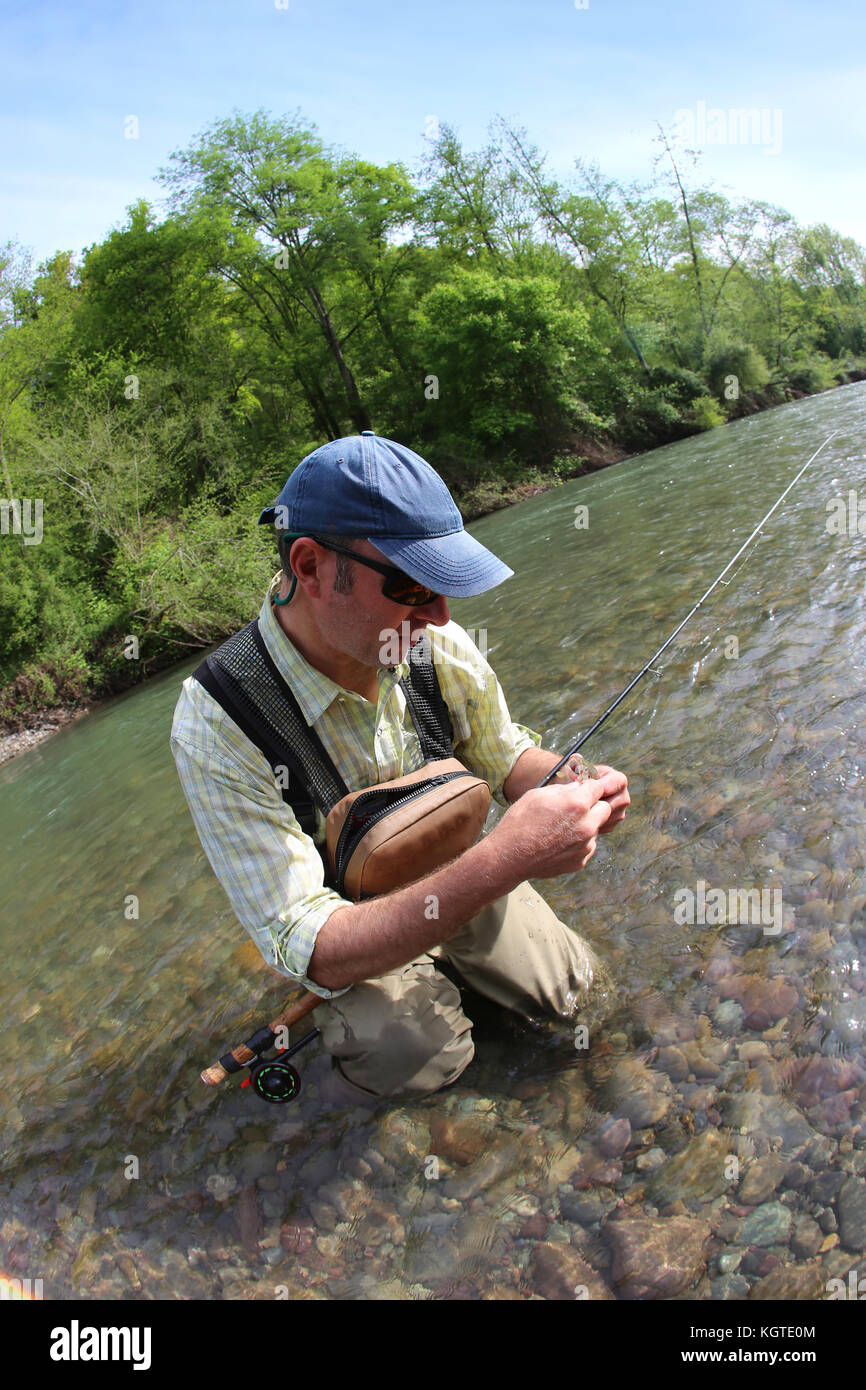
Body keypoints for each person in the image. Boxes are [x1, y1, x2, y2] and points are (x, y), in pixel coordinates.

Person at [171, 431, 629, 1101]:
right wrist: (509, 858)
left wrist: (568, 782)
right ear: (309, 565)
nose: (442, 613)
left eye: (443, 583)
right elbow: (312, 942)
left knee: (575, 995)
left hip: (457, 874)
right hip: (355, 936)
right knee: (418, 1060)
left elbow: (505, 758)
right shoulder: (217, 725)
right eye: (414, 584)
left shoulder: (426, 633)